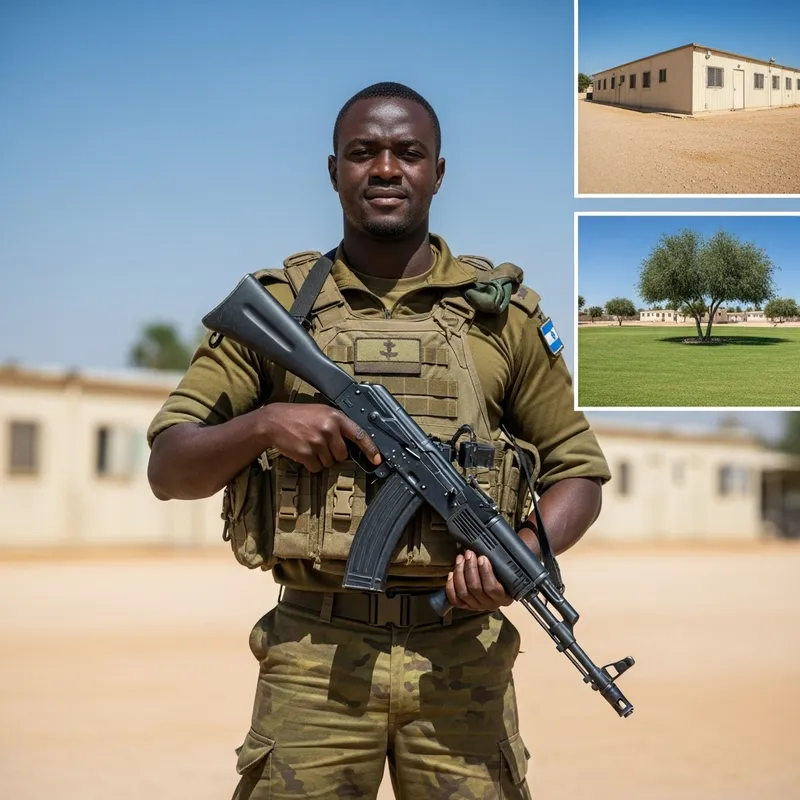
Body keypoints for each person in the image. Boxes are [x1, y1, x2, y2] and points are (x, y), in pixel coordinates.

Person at [147, 81, 611, 800]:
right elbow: (169, 466)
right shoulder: (279, 308)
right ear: (334, 170)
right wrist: (267, 423)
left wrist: (517, 555)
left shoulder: (504, 318)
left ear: (438, 172)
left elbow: (578, 472)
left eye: (408, 153)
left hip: (462, 660)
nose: (387, 169)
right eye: (364, 153)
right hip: (314, 661)